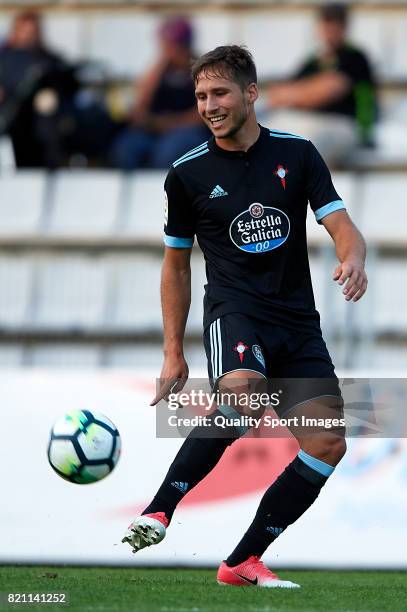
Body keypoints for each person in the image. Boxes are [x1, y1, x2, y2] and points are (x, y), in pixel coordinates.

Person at [122, 45, 367, 588]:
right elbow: (176, 265)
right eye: (201, 96)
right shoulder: (186, 175)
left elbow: (341, 224)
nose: (209, 105)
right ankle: (158, 511)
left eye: (219, 93)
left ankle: (242, 561)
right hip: (235, 313)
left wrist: (353, 258)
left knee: (328, 445)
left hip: (298, 323)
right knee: (243, 395)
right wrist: (172, 349)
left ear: (250, 94)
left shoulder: (299, 154)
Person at [265, 3, 376, 165]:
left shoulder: (355, 57)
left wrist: (299, 94)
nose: (329, 31)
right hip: (311, 122)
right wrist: (310, 92)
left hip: (344, 125)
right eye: (326, 24)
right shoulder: (313, 61)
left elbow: (330, 89)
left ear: (344, 27)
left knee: (310, 143)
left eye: (334, 25)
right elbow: (277, 95)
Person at [110, 16, 208, 170]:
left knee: (168, 152)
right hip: (155, 130)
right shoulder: (159, 71)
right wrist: (161, 64)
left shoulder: (202, 71)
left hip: (187, 130)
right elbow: (139, 106)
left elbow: (205, 114)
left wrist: (170, 124)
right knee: (126, 148)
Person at [0, 10, 78, 168]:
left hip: (40, 120)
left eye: (33, 32)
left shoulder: (49, 60)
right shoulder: (4, 58)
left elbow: (66, 85)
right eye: (25, 31)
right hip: (10, 114)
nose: (30, 36)